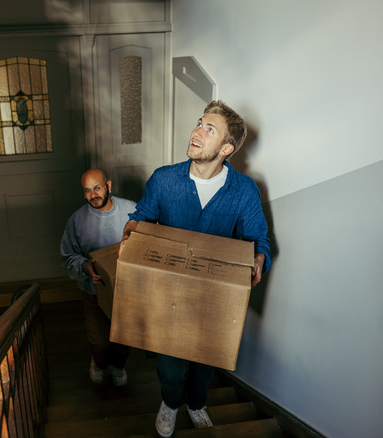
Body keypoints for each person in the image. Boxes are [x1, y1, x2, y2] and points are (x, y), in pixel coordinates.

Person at [120, 100, 271, 437]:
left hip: (214, 302)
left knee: (205, 366)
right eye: (199, 123)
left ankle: (197, 403)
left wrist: (260, 256)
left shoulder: (244, 190)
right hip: (168, 298)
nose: (196, 132)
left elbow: (257, 238)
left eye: (209, 129)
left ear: (227, 148)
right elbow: (141, 217)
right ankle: (171, 404)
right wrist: (132, 230)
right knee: (171, 370)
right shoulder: (163, 180)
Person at [60, 168, 137, 386]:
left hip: (127, 291)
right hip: (93, 292)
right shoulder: (76, 221)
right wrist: (85, 267)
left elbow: (148, 243)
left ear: (109, 186)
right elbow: (67, 257)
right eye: (87, 191)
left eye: (97, 188)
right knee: (100, 342)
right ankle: (100, 363)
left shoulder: (132, 210)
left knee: (124, 339)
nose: (93, 195)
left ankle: (119, 366)